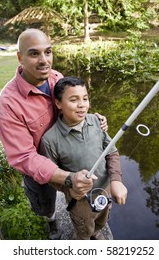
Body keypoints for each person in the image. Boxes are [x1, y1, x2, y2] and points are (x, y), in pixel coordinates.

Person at [0, 28, 108, 240]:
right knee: (45, 203)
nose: (44, 60)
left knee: (81, 196)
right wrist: (67, 178)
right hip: (40, 172)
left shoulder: (56, 77)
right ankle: (51, 221)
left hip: (66, 156)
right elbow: (23, 157)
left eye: (48, 52)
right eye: (34, 53)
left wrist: (91, 118)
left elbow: (69, 106)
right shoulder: (8, 105)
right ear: (19, 57)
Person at [39, 76, 128, 240]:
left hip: (105, 189)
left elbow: (111, 152)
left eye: (85, 98)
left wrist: (116, 180)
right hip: (80, 200)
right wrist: (69, 189)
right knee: (84, 227)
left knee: (102, 217)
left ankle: (96, 231)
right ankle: (83, 238)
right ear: (58, 104)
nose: (82, 105)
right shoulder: (50, 139)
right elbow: (51, 175)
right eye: (73, 100)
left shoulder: (96, 121)